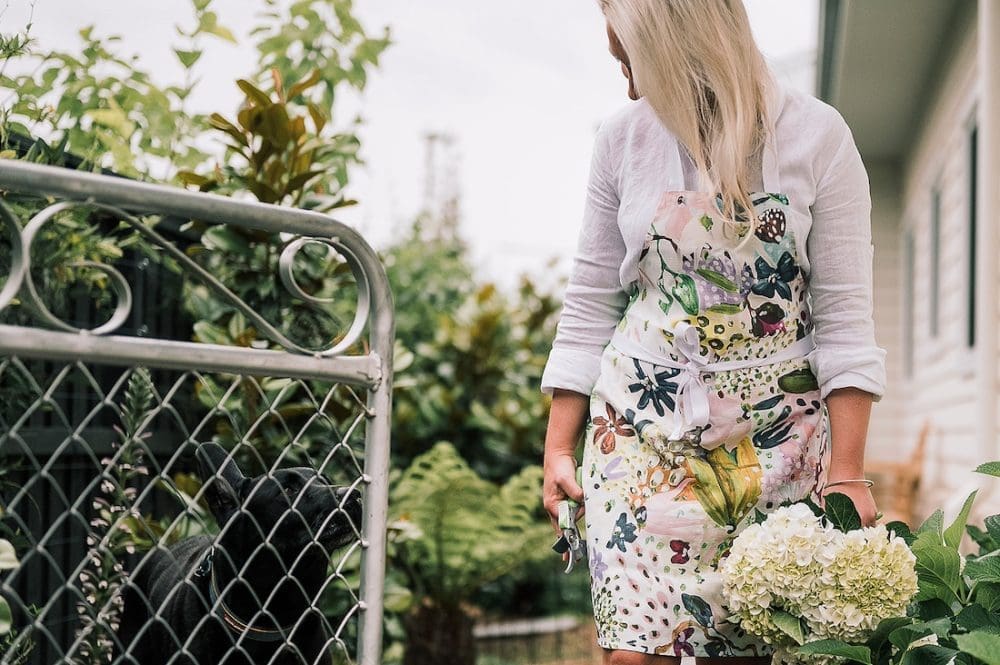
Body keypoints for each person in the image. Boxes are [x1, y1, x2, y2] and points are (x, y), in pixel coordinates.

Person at [539, 1, 888, 663]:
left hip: (778, 451)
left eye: (632, 62)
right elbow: (588, 303)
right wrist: (558, 447)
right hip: (639, 441)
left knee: (765, 647)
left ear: (675, 46)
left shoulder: (819, 138)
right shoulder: (622, 141)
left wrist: (847, 474)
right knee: (634, 652)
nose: (631, 86)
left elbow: (845, 321)